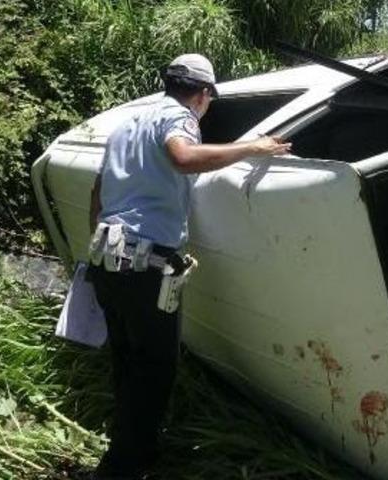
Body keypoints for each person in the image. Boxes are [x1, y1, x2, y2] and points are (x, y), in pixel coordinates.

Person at [86, 53, 291, 479]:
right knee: (157, 367)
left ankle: (133, 446)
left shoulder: (126, 126)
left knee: (126, 358)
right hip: (144, 263)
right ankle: (123, 468)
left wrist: (97, 245)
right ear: (202, 95)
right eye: (208, 100)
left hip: (107, 256)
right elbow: (182, 157)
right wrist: (253, 147)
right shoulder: (180, 119)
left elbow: (96, 189)